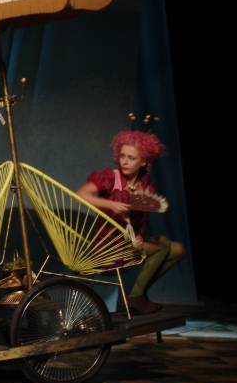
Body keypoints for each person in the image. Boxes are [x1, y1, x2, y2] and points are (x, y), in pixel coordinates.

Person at [77, 130, 184, 315]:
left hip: (129, 243)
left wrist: (140, 237)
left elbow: (142, 220)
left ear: (143, 161)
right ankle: (135, 297)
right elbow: (81, 195)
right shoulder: (110, 177)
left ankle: (138, 294)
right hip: (108, 247)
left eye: (131, 158)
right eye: (122, 156)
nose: (124, 162)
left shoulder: (145, 184)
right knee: (162, 248)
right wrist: (111, 204)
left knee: (177, 249)